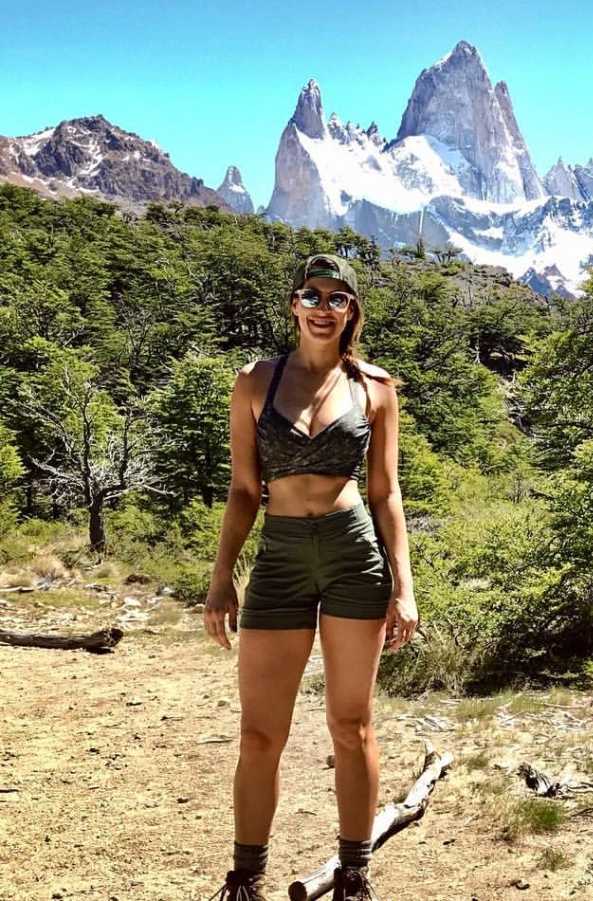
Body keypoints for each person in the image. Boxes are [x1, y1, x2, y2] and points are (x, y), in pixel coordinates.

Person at [204, 253, 418, 901]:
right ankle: (245, 881)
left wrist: (404, 587)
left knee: (351, 726)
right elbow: (245, 490)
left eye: (336, 298)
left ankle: (354, 875)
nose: (323, 308)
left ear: (351, 310)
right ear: (293, 304)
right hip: (281, 558)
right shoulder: (255, 382)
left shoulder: (374, 387)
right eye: (311, 295)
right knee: (259, 733)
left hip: (353, 555)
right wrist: (221, 577)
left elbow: (386, 493)